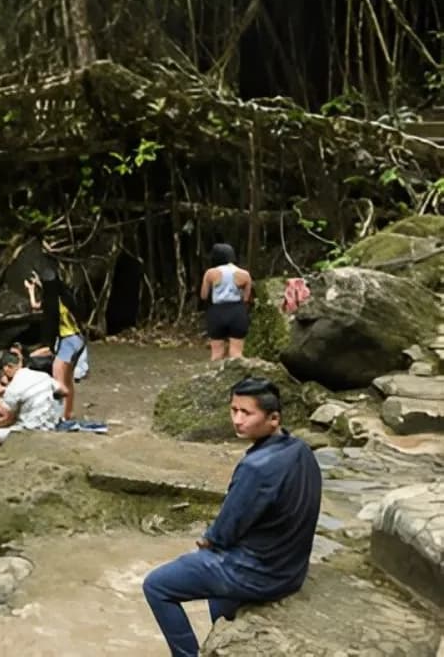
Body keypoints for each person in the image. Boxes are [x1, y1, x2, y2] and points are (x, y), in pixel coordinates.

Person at [142, 378, 322, 657]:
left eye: (246, 413)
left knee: (157, 585)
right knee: (216, 587)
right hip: (291, 568)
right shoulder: (301, 450)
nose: (237, 420)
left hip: (261, 573)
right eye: (234, 410)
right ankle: (226, 641)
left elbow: (225, 531)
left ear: (273, 418)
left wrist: (208, 541)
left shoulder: (257, 467)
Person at [25, 265, 87, 420]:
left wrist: (31, 290)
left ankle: (58, 415)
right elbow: (52, 289)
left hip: (67, 342)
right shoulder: (66, 296)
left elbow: (35, 306)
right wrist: (39, 282)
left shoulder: (50, 303)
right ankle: (68, 413)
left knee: (58, 380)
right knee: (68, 380)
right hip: (79, 339)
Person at [0, 349, 62, 450]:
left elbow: (8, 419)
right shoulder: (43, 376)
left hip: (30, 430)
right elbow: (63, 391)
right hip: (50, 425)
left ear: (7, 368)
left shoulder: (13, 387)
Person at [201, 243, 253, 361]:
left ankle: (216, 378)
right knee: (236, 353)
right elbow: (246, 298)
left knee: (216, 354)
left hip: (217, 312)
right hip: (237, 312)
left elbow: (204, 295)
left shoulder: (210, 273)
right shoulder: (245, 274)